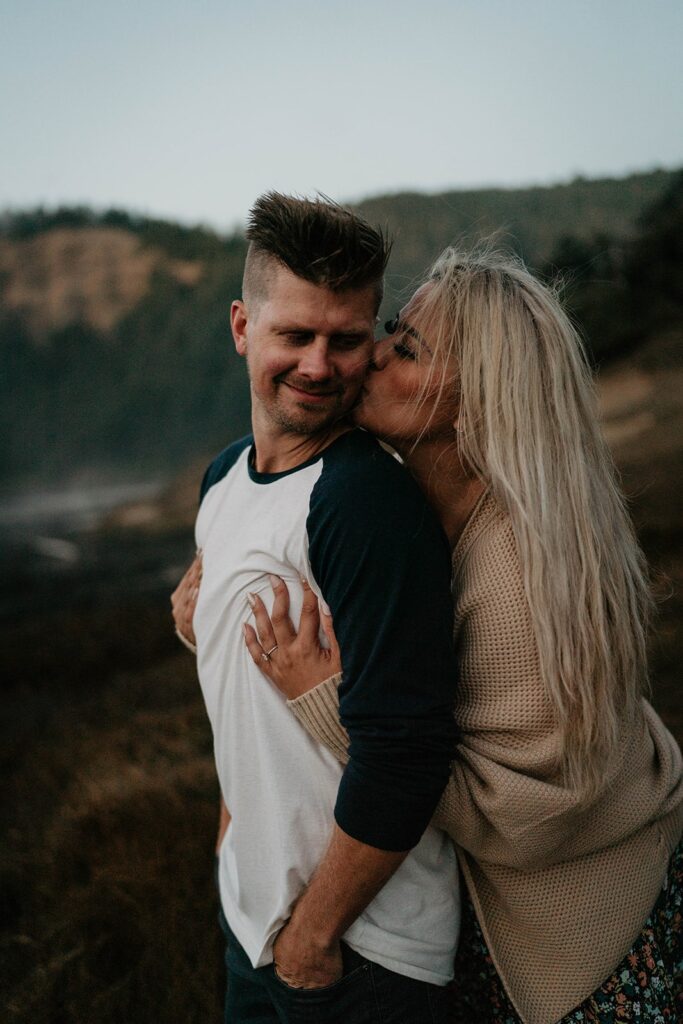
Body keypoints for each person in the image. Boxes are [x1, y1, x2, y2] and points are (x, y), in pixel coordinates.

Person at [177, 245, 683, 1023]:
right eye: (389, 330)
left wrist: (324, 702)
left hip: (583, 938)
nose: (367, 356)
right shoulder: (406, 495)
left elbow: (520, 816)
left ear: (475, 400)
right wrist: (214, 616)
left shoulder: (514, 575)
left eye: (405, 350)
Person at [178, 192, 463, 1023]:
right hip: (254, 913)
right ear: (241, 327)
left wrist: (313, 936)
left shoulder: (363, 501)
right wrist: (234, 833)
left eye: (345, 340)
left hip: (358, 953)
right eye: (293, 335)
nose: (316, 364)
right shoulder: (224, 477)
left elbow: (408, 749)